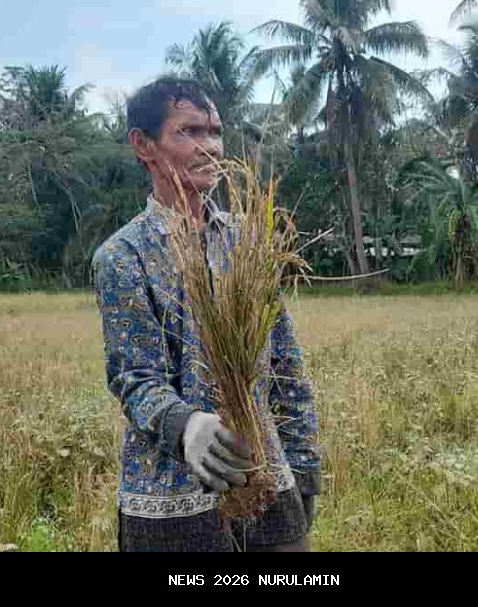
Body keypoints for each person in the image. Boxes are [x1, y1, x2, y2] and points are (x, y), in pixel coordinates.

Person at [90, 76, 321, 552]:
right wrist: (186, 426)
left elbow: (284, 364)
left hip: (266, 482)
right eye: (189, 132)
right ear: (143, 144)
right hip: (171, 501)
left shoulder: (247, 240)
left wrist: (303, 464)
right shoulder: (123, 256)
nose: (210, 147)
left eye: (215, 132)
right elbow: (135, 376)